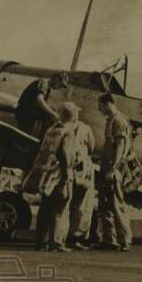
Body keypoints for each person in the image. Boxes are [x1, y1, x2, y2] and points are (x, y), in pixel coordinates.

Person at [23, 102, 78, 252]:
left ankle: (40, 241)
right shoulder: (68, 132)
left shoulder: (52, 129)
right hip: (59, 173)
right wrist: (68, 172)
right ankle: (56, 242)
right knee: (60, 207)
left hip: (46, 174)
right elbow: (66, 154)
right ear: (73, 116)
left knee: (45, 207)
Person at [97, 93, 133, 252]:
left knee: (116, 205)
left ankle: (125, 240)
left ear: (107, 103)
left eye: (100, 105)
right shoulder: (110, 120)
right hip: (106, 167)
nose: (99, 108)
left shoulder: (118, 121)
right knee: (105, 204)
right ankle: (109, 240)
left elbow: (120, 145)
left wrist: (113, 168)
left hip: (113, 169)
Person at [67, 113, 96, 250]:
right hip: (82, 169)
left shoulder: (61, 128)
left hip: (68, 169)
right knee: (83, 204)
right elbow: (92, 148)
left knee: (66, 202)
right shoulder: (85, 128)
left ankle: (63, 236)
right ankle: (76, 237)